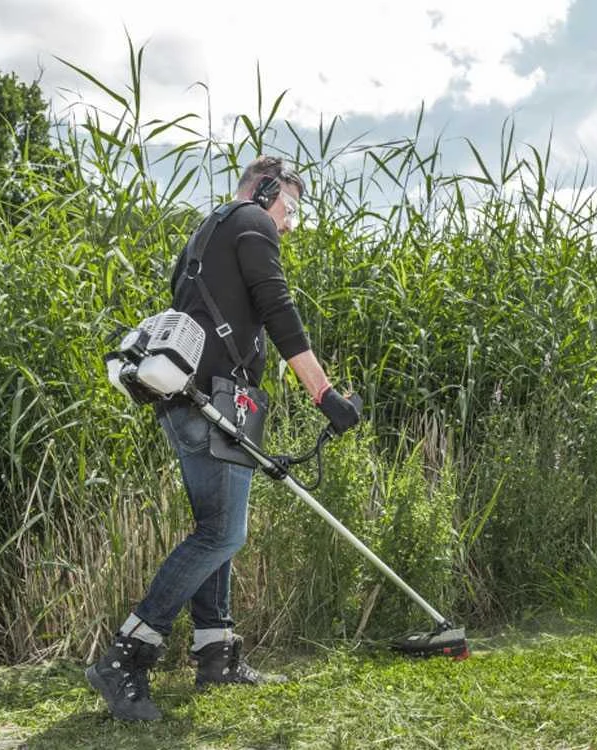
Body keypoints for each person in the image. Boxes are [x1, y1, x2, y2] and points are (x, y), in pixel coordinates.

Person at [87, 156, 362, 721]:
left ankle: (216, 653)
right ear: (265, 190)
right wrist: (325, 394)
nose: (288, 224)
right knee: (222, 533)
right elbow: (278, 309)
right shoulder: (252, 222)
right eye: (288, 208)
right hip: (213, 399)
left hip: (191, 397)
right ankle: (125, 655)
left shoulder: (205, 232)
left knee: (218, 527)